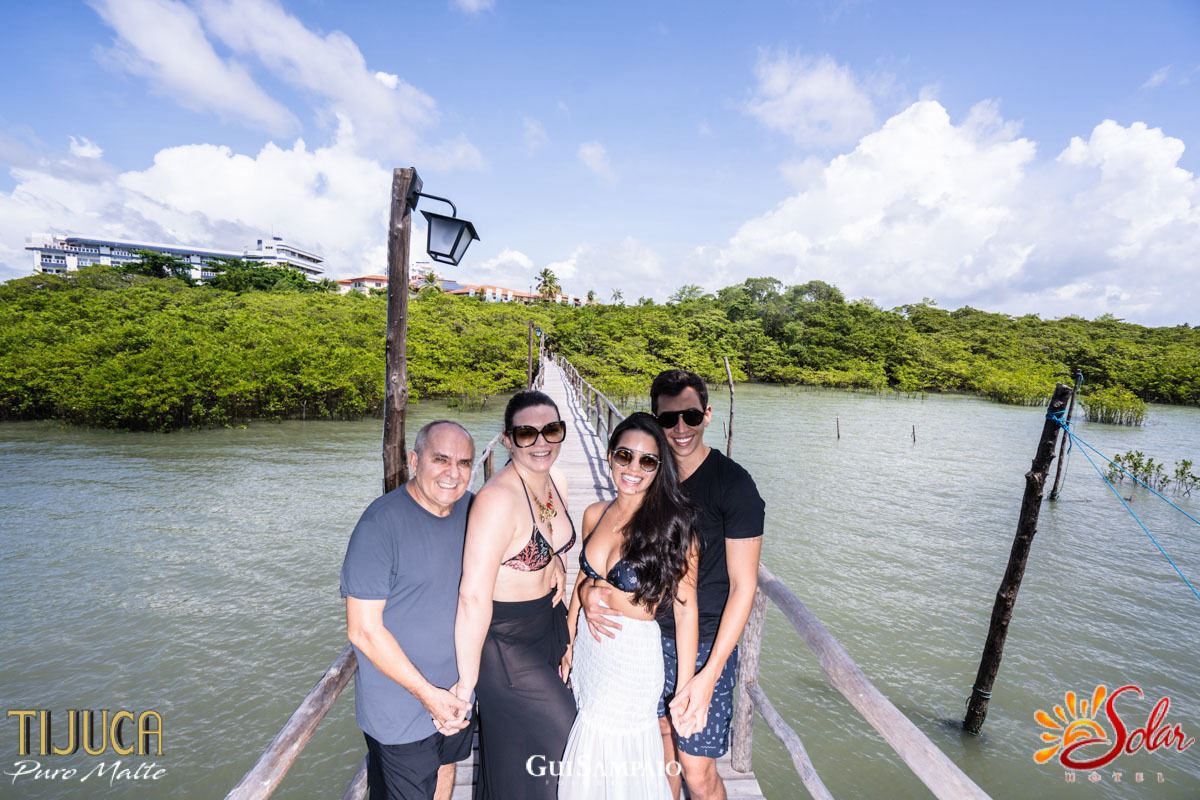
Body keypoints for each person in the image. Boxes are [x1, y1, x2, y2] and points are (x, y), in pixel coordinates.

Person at [580, 370, 765, 800]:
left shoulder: (733, 486)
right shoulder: (645, 481)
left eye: (692, 415)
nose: (681, 428)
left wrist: (707, 675)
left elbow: (744, 587)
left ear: (708, 414)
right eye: (669, 420)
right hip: (639, 642)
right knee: (661, 756)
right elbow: (605, 553)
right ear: (656, 421)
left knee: (698, 773)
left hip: (701, 645)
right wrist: (588, 593)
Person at [558, 412, 702, 799]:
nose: (633, 468)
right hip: (590, 655)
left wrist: (684, 688)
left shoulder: (673, 527)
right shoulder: (594, 514)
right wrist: (569, 642)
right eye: (625, 455)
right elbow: (582, 581)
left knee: (618, 760)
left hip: (631, 662)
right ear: (610, 456)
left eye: (647, 460)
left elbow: (686, 610)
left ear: (659, 468)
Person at [341, 420, 477, 800]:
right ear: (414, 461)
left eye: (465, 463)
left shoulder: (474, 510)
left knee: (446, 770)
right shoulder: (379, 525)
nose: (453, 473)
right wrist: (430, 696)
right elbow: (363, 631)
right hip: (401, 707)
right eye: (441, 459)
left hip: (458, 692)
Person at [452, 390, 575, 799]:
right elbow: (472, 596)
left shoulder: (556, 479)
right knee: (565, 744)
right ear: (508, 439)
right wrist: (466, 685)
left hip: (546, 626)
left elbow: (545, 542)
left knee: (519, 753)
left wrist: (553, 562)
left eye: (551, 430)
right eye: (527, 433)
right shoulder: (496, 500)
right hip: (506, 645)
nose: (541, 442)